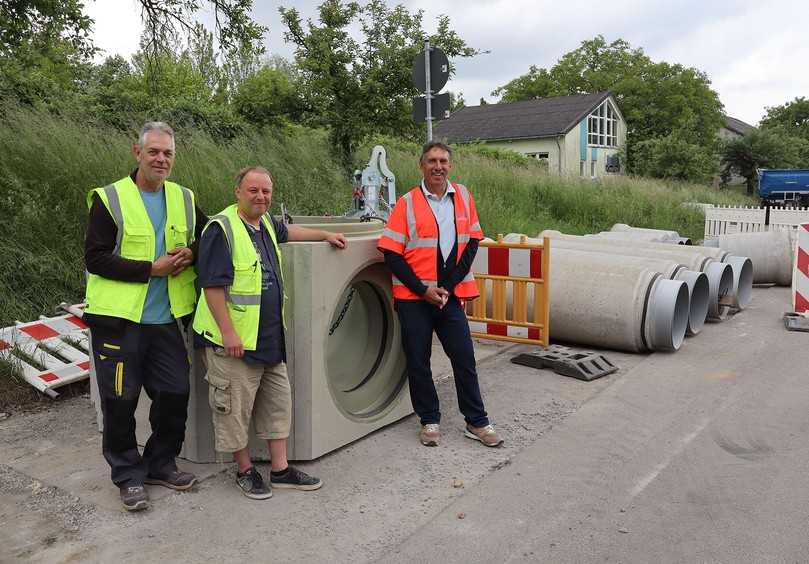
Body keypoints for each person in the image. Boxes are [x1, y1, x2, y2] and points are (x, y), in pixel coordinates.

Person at [192, 166, 348, 500]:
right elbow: (212, 287)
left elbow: (289, 231)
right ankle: (245, 470)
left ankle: (280, 470)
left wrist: (324, 235)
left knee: (278, 404)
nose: (261, 197)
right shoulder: (222, 229)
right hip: (231, 342)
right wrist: (228, 332)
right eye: (253, 190)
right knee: (234, 409)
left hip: (268, 338)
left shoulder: (264, 225)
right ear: (237, 192)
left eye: (266, 191)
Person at [84, 121, 208, 511]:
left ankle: (160, 463)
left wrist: (193, 252)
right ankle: (127, 475)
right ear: (137, 153)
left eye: (167, 153)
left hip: (166, 320)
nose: (161, 159)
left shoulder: (184, 198)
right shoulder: (111, 198)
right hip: (119, 322)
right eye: (153, 151)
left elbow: (208, 237)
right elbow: (96, 257)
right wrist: (149, 269)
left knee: (175, 393)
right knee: (120, 400)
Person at [377, 141, 503, 448]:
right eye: (432, 160)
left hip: (449, 296)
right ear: (421, 165)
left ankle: (476, 421)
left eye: (443, 161)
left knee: (464, 357)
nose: (438, 166)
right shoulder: (406, 203)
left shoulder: (463, 196)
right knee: (419, 361)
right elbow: (391, 253)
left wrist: (447, 286)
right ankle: (429, 419)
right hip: (414, 298)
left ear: (450, 165)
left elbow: (473, 241)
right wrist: (423, 289)